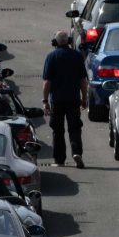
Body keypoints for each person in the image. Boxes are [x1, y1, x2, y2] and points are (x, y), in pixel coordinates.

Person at [42, 29, 88, 168]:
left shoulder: (51, 57)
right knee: (75, 128)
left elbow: (47, 82)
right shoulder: (77, 56)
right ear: (69, 41)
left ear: (54, 42)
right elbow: (83, 81)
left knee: (57, 130)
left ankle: (59, 160)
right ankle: (76, 152)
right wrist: (84, 97)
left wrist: (45, 101)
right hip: (73, 99)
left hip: (57, 100)